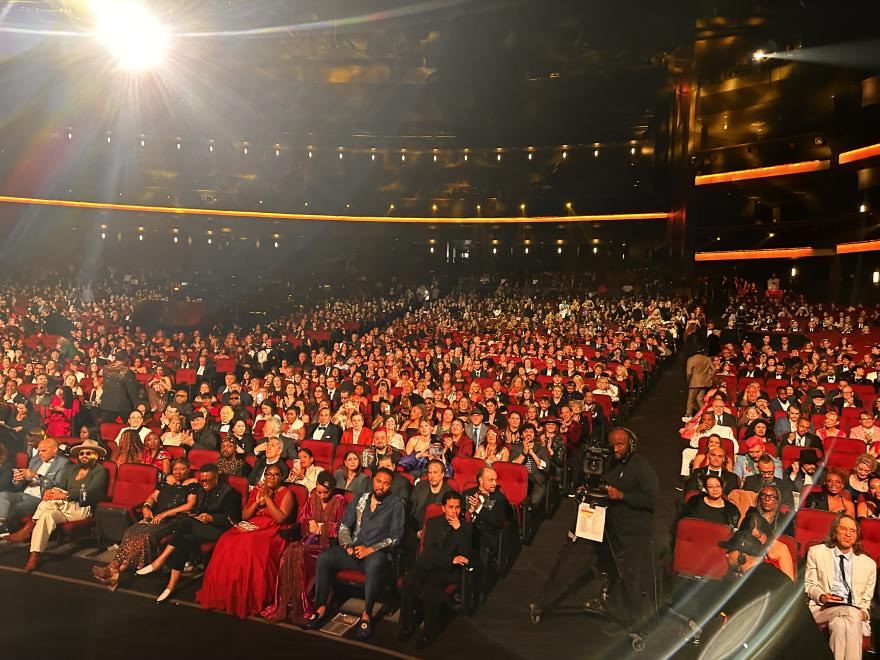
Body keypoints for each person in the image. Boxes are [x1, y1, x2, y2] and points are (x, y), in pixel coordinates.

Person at [700, 528, 831, 659]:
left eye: (730, 551)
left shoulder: (751, 583)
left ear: (741, 556)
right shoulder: (772, 575)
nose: (726, 555)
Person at [307, 468, 406, 640]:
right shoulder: (361, 498)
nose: (381, 486)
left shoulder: (396, 503)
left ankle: (367, 614)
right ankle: (320, 607)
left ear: (390, 486)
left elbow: (396, 537)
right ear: (373, 480)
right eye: (378, 481)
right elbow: (344, 525)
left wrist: (371, 549)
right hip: (354, 550)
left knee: (375, 564)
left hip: (377, 553)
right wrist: (347, 546)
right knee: (325, 557)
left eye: (386, 483)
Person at [196, 464, 294, 618]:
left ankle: (247, 597)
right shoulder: (257, 489)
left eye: (275, 475)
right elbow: (245, 516)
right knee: (227, 539)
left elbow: (280, 518)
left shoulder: (286, 493)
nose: (271, 477)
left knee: (248, 545)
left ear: (281, 477)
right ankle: (226, 593)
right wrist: (256, 501)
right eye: (268, 474)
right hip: (253, 523)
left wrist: (267, 499)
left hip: (272, 528)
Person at [136, 463, 242, 603]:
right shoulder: (201, 489)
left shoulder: (229, 493)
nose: (204, 484)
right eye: (202, 481)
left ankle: (159, 561)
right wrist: (196, 516)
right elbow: (197, 508)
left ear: (217, 478)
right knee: (184, 538)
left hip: (219, 530)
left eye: (207, 481)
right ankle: (170, 587)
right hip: (199, 526)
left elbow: (234, 520)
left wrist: (212, 518)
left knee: (184, 522)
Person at [91, 457, 198, 589]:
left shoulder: (192, 483)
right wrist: (146, 506)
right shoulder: (166, 481)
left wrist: (164, 514)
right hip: (155, 517)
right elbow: (152, 496)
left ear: (188, 469)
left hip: (174, 520)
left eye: (182, 469)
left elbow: (190, 505)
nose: (178, 472)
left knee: (145, 537)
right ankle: (113, 569)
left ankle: (113, 570)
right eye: (176, 468)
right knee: (130, 532)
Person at [263, 470, 345, 622]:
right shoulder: (312, 497)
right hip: (309, 540)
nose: (321, 496)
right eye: (319, 492)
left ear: (331, 490)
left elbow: (343, 527)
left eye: (325, 493)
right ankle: (289, 601)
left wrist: (325, 527)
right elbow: (302, 519)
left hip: (327, 545)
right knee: (289, 554)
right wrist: (309, 522)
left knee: (305, 558)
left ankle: (308, 603)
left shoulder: (339, 500)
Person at [601, 428, 660, 634]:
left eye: (620, 445)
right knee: (618, 574)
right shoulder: (610, 462)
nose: (615, 449)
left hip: (636, 532)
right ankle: (622, 616)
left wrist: (622, 496)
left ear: (631, 446)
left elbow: (651, 500)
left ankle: (642, 624)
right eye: (612, 444)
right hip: (613, 529)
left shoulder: (642, 467)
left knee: (635, 578)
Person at [398, 491, 474, 649]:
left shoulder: (465, 527)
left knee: (431, 591)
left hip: (447, 572)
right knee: (408, 582)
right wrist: (451, 559)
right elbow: (428, 552)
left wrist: (458, 529)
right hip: (428, 564)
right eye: (451, 507)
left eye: (458, 507)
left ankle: (428, 633)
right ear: (443, 508)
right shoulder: (432, 523)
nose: (454, 511)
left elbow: (465, 554)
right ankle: (405, 626)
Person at [21, 439, 109, 572]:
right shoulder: (73, 469)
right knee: (46, 515)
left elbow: (91, 493)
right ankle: (35, 554)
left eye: (88, 453)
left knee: (49, 503)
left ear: (95, 455)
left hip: (81, 507)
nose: (84, 456)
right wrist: (51, 492)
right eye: (81, 453)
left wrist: (65, 496)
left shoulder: (100, 471)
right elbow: (61, 487)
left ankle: (29, 527)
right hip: (62, 506)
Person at [805, 514, 876, 660]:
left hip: (853, 615)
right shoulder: (817, 552)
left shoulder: (869, 564)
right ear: (835, 531)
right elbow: (809, 585)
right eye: (843, 529)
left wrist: (864, 613)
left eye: (852, 531)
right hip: (822, 609)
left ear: (857, 535)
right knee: (851, 612)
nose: (848, 534)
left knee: (839, 625)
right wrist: (822, 596)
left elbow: (866, 602)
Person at [0, 437, 69, 536]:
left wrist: (37, 476)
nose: (40, 453)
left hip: (39, 498)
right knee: (2, 496)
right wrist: (17, 479)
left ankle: (4, 529)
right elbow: (22, 483)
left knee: (13, 507)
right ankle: (2, 526)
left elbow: (58, 486)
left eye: (44, 451)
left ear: (55, 449)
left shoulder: (63, 463)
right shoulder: (35, 461)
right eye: (39, 451)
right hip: (23, 493)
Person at [409, 459, 453, 531]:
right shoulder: (420, 486)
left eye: (435, 472)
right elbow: (411, 509)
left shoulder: (449, 493)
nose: (432, 476)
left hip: (435, 530)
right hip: (415, 526)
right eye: (430, 473)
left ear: (442, 474)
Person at [100, 350, 138, 422]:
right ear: (126, 359)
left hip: (106, 405)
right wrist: (135, 406)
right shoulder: (128, 372)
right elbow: (132, 392)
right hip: (122, 407)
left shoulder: (105, 369)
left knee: (108, 428)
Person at [685, 349, 714, 418]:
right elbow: (714, 370)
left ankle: (688, 415)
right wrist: (709, 378)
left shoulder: (691, 359)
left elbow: (688, 372)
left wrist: (688, 380)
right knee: (699, 399)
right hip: (705, 382)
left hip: (695, 382)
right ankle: (706, 413)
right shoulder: (707, 359)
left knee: (691, 399)